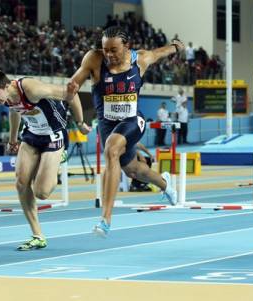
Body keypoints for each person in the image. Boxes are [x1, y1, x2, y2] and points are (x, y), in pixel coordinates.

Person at [69, 26, 184, 237]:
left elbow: (162, 52)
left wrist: (176, 46)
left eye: (114, 50)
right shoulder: (94, 60)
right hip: (107, 124)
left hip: (133, 120)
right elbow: (71, 87)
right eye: (105, 50)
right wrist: (78, 120)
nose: (109, 55)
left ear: (127, 47)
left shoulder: (140, 59)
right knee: (132, 170)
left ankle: (106, 219)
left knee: (112, 150)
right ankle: (165, 184)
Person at [0, 70, 91, 250]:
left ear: (6, 86)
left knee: (41, 192)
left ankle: (58, 156)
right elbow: (14, 111)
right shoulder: (7, 97)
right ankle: (37, 235)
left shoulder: (32, 89)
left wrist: (79, 123)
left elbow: (72, 93)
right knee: (21, 183)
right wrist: (13, 139)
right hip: (32, 135)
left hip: (53, 135)